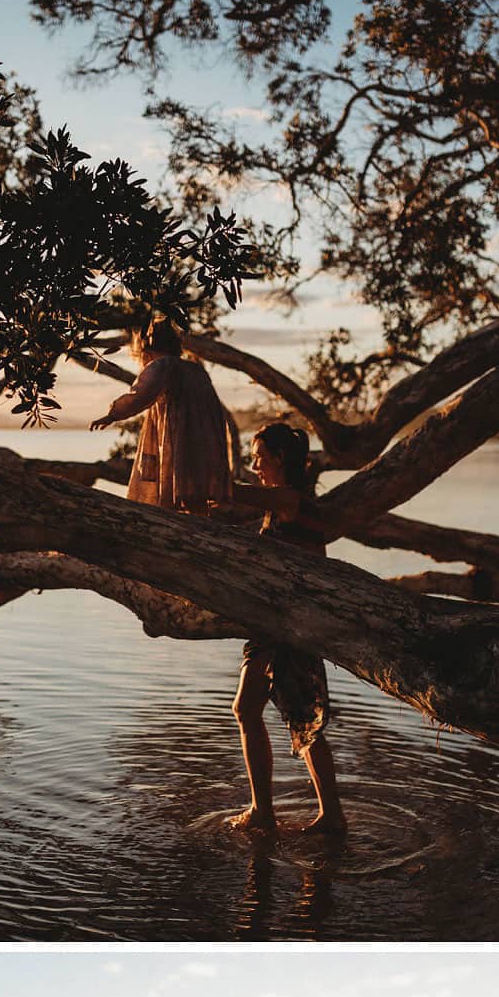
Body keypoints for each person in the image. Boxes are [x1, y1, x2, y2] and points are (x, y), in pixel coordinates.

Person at [230, 418, 346, 847]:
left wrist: (200, 477)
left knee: (302, 724)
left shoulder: (290, 500)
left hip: (293, 627)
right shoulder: (282, 503)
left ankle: (324, 815)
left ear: (279, 458)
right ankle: (269, 811)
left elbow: (234, 492)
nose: (255, 464)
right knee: (248, 709)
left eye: (259, 457)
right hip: (273, 626)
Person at [94, 320, 238, 513]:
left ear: (146, 353)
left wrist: (113, 414)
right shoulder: (196, 370)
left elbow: (141, 394)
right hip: (205, 442)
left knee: (181, 492)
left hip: (181, 440)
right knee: (195, 496)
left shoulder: (163, 365)